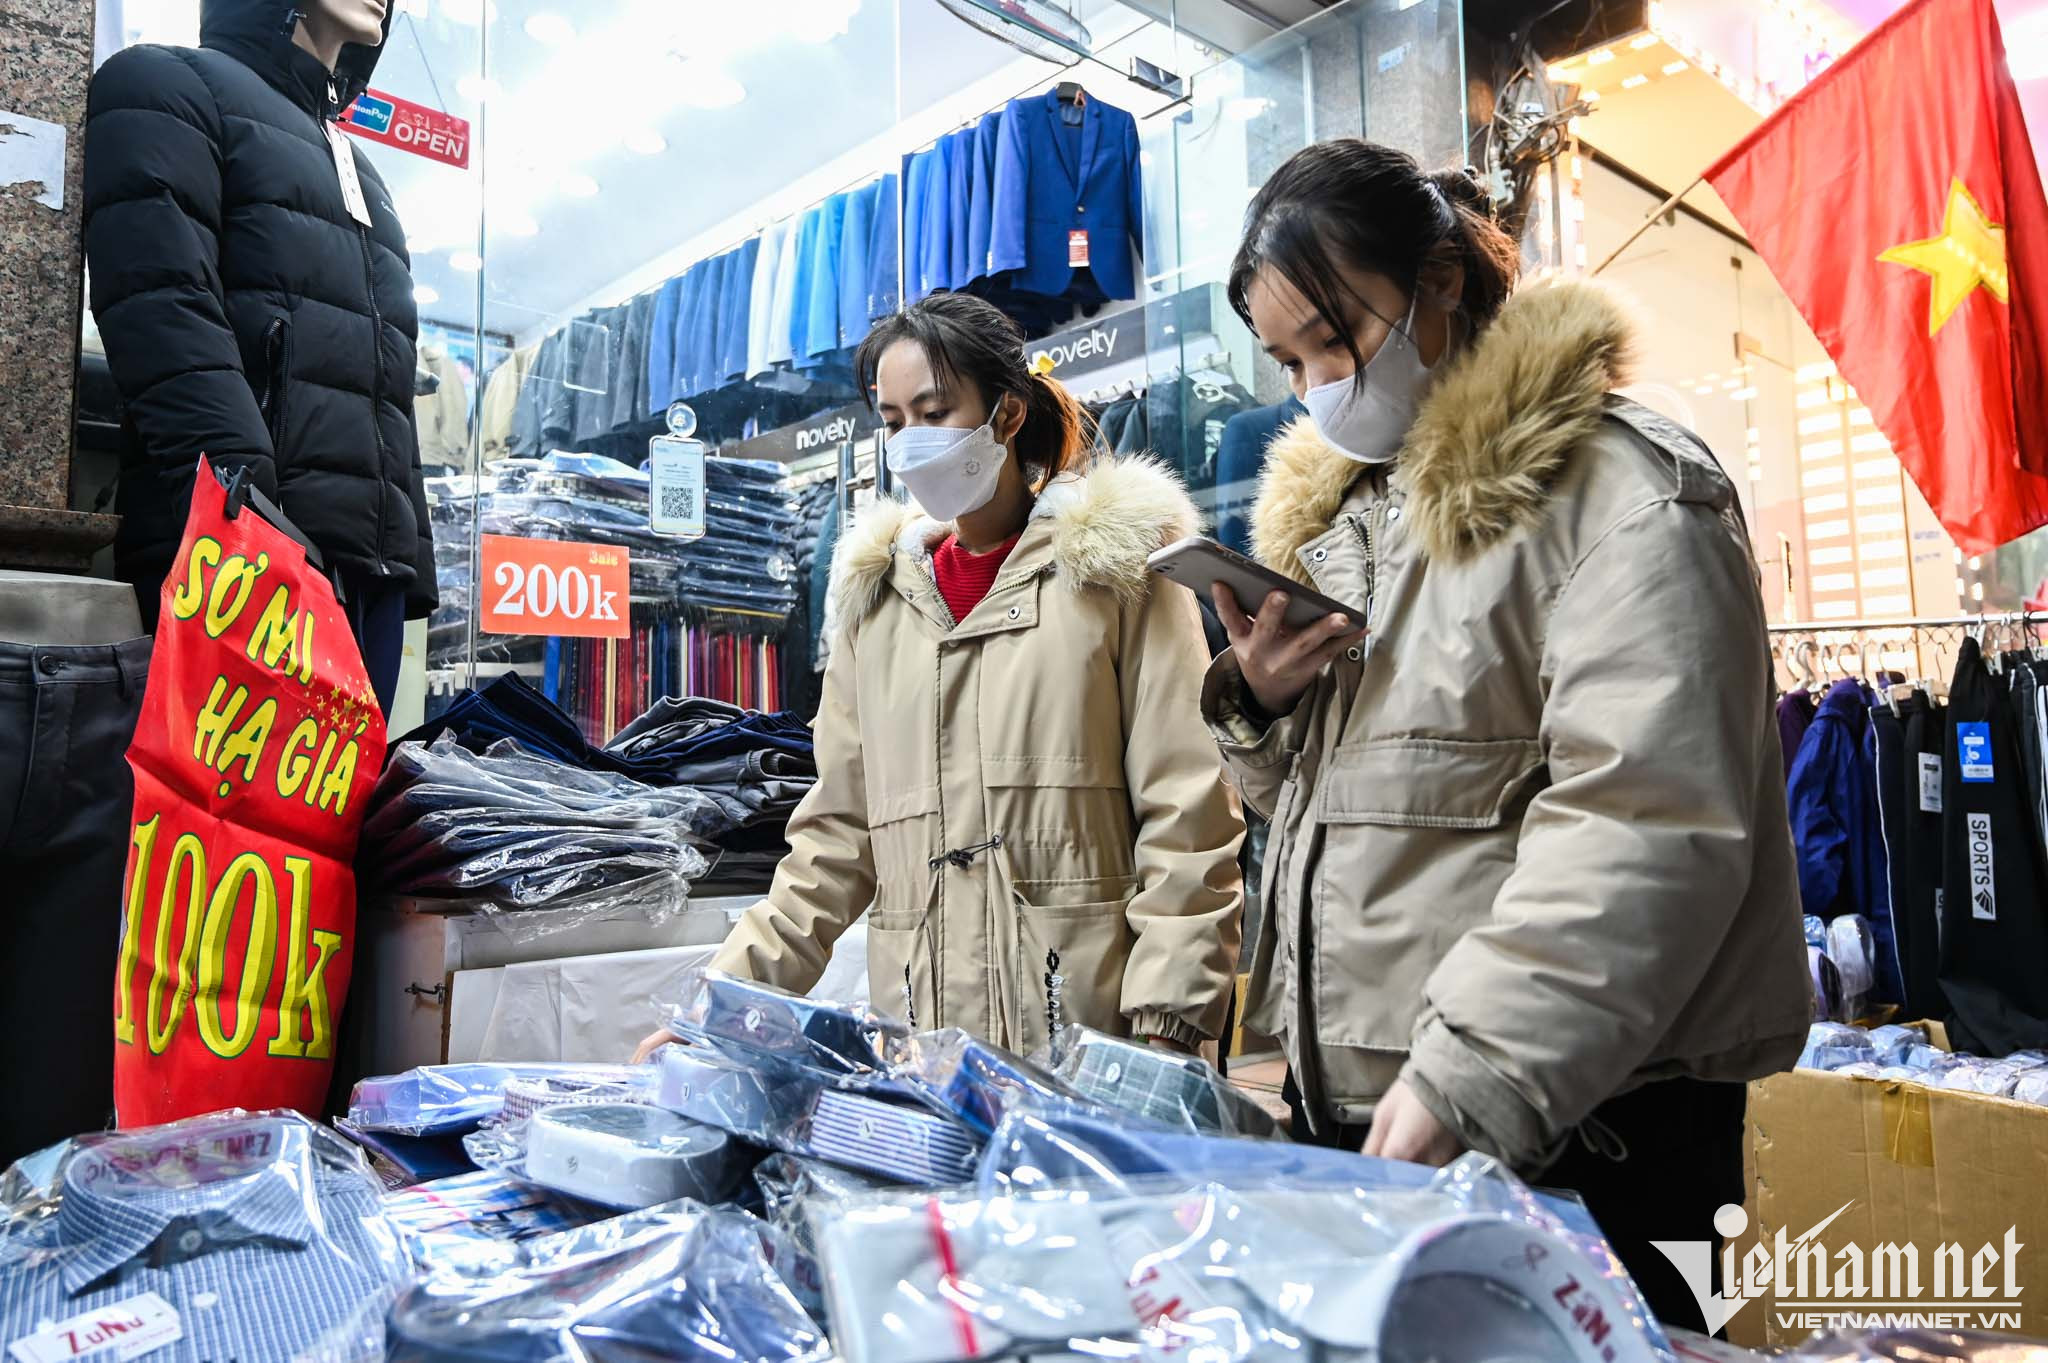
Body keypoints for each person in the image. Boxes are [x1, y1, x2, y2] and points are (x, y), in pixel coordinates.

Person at [1200, 139, 1808, 1330]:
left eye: (1333, 340)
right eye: (1288, 363)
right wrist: (1258, 704)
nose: (1314, 387)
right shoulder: (1354, 522)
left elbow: (1642, 822)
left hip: (1581, 1124)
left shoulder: (1624, 493)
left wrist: (1470, 1071)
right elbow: (1350, 812)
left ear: (1437, 283)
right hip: (1383, 1111)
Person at [639, 292, 1244, 1060]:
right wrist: (716, 1005)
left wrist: (1169, 1021)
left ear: (1007, 413)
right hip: (924, 1042)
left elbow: (1188, 811)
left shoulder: (1116, 575)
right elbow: (833, 842)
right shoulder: (877, 605)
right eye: (894, 421)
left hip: (1094, 1041)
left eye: (934, 411)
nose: (912, 441)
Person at [84, 0, 434, 713]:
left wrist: (411, 567)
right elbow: (165, 314)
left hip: (368, 579)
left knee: (348, 792)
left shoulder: (365, 175)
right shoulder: (166, 86)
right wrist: (248, 526)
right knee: (207, 788)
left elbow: (389, 388)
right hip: (243, 561)